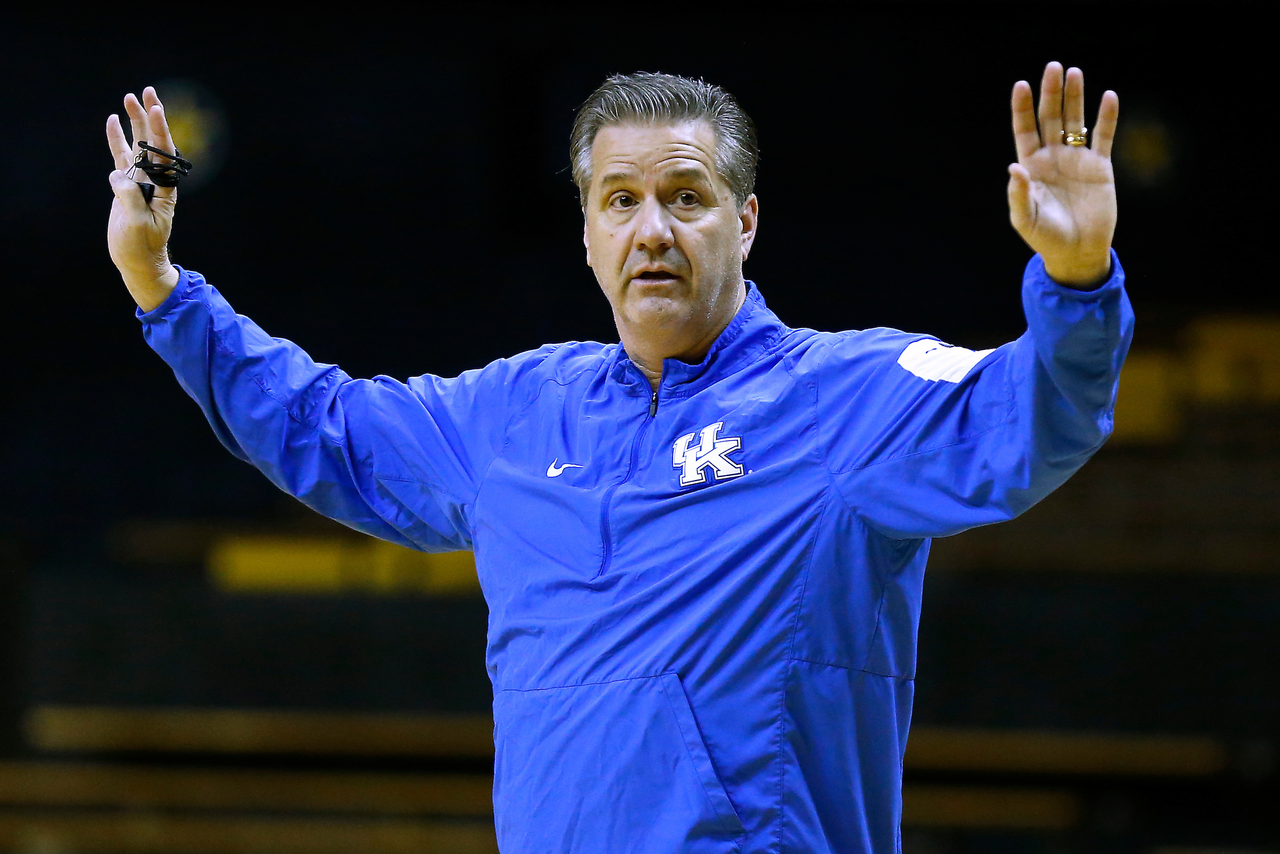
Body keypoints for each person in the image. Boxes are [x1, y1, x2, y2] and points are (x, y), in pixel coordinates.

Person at [106, 64, 1133, 854]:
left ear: (744, 222)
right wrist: (161, 286)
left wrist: (1078, 279)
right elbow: (322, 425)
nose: (652, 231)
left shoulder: (842, 397)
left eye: (685, 197)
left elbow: (1029, 419)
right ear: (588, 232)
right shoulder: (514, 413)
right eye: (620, 200)